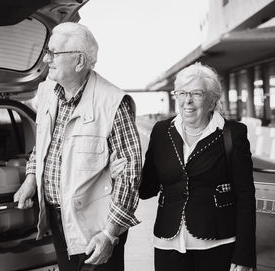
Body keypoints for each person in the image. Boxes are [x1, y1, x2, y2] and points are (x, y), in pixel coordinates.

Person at [14, 22, 142, 271]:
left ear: (79, 61)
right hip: (58, 218)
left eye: (54, 53)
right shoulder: (48, 92)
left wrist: (109, 234)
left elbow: (130, 175)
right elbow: (42, 145)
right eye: (47, 52)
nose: (46, 59)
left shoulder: (112, 103)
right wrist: (31, 178)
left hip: (96, 226)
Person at [112, 62, 256, 271]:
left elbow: (245, 196)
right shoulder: (162, 131)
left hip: (218, 244)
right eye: (181, 93)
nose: (187, 101)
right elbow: (147, 189)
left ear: (212, 99)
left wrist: (244, 254)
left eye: (196, 93)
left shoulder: (233, 134)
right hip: (167, 243)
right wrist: (123, 174)